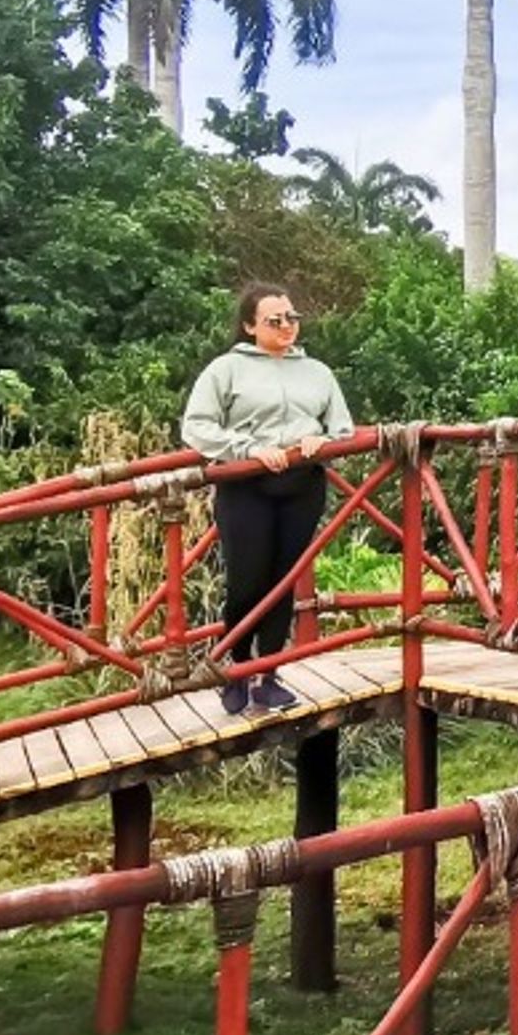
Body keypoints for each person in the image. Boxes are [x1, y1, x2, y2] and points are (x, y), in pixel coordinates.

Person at [179, 282, 355, 716]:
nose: (285, 327)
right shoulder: (226, 369)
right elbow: (197, 426)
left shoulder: (317, 372)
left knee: (282, 581)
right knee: (247, 579)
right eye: (274, 320)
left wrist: (321, 440)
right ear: (249, 326)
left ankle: (270, 675)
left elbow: (344, 428)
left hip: (302, 485)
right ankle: (238, 668)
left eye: (291, 318)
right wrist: (246, 449)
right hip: (246, 486)